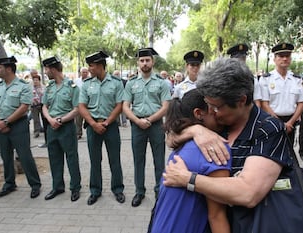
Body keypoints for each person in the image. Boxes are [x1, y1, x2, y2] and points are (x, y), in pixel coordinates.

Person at [162, 57, 293, 232]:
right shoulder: (219, 124)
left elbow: (248, 193)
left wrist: (188, 179)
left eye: (216, 107)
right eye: (209, 106)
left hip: (254, 223)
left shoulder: (267, 129)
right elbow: (171, 138)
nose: (212, 113)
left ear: (241, 100)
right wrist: (196, 131)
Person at [150, 89, 231, 233]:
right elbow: (216, 216)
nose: (220, 113)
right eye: (215, 108)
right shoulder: (214, 149)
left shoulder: (184, 143)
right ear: (199, 113)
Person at [122, 48, 171, 207]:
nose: (144, 63)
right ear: (138, 63)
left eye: (147, 60)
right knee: (138, 160)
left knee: (159, 160)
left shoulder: (161, 83)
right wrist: (137, 121)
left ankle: (160, 191)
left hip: (156, 125)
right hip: (137, 126)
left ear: (152, 61)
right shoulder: (131, 83)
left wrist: (148, 120)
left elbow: (165, 107)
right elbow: (126, 106)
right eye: (142, 61)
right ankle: (139, 192)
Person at [0, 56, 41, 198]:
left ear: (9, 69)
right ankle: (9, 183)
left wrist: (6, 122)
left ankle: (35, 184)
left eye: (0, 68)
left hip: (18, 125)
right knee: (5, 156)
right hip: (0, 124)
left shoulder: (23, 86)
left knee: (24, 156)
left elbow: (24, 107)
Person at [79, 51, 125, 205]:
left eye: (91, 65)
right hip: (92, 127)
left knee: (115, 160)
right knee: (94, 160)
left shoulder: (116, 83)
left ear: (100, 66)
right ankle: (95, 191)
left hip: (110, 127)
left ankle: (118, 189)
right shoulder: (87, 84)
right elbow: (82, 106)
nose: (89, 68)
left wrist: (106, 122)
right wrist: (93, 124)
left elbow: (119, 105)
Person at [41, 56, 81, 202]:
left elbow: (77, 109)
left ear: (53, 69)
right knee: (54, 158)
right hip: (52, 127)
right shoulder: (49, 87)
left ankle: (75, 187)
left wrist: (61, 120)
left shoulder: (71, 87)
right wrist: (51, 120)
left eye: (46, 69)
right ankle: (57, 186)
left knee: (71, 158)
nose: (45, 72)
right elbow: (44, 106)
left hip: (66, 127)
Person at [260, 43, 303, 145]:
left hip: (291, 122)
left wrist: (290, 123)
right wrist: (280, 123)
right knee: (271, 151)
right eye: (281, 56)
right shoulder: (266, 79)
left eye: (287, 56)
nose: (285, 59)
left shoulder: (296, 79)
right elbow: (264, 104)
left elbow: (301, 103)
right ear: (274, 59)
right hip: (272, 120)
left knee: (289, 152)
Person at [74, 67, 89, 139]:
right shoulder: (76, 81)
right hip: (79, 103)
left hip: (88, 103)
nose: (85, 73)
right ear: (80, 73)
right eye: (83, 72)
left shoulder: (91, 81)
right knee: (78, 119)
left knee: (89, 118)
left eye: (86, 72)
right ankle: (78, 133)